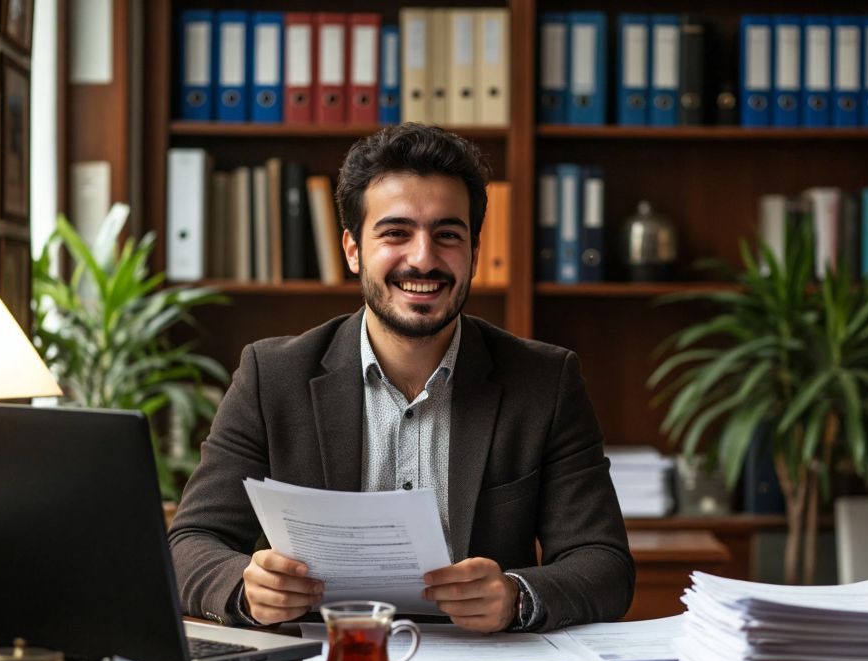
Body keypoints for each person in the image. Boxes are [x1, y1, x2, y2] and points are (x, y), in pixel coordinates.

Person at [168, 123, 633, 633]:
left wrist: (517, 596)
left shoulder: (544, 381)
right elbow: (189, 543)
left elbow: (603, 563)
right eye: (395, 233)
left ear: (474, 253)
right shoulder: (271, 376)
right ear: (352, 250)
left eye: (447, 235)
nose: (423, 259)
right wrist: (245, 586)